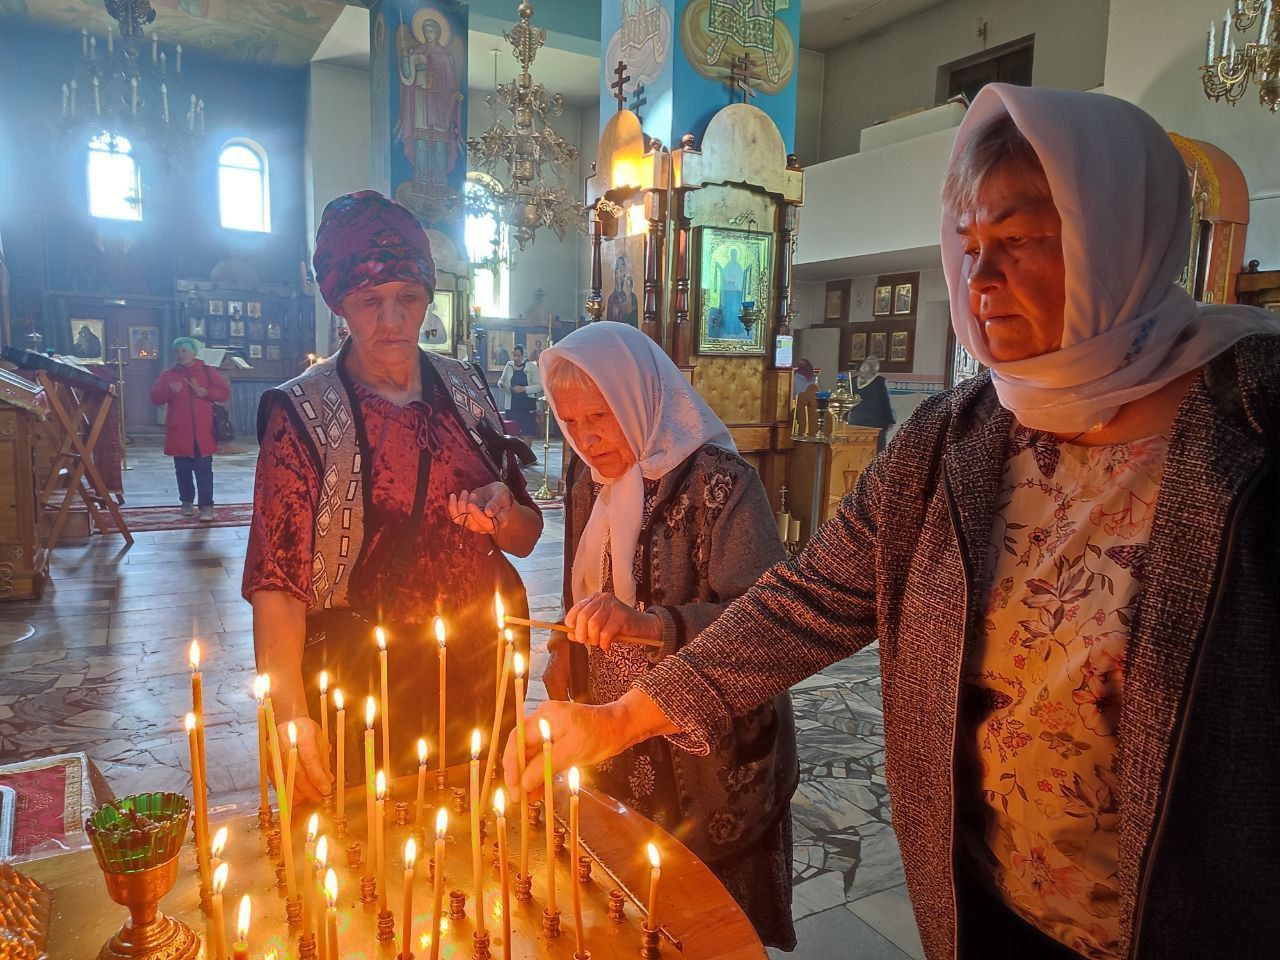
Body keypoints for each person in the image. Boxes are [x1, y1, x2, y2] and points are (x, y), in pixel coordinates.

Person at [507, 85, 1280, 960]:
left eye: (1019, 240)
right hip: (981, 904)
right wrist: (620, 718)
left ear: (1118, 236)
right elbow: (802, 601)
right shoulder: (954, 440)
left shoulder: (1251, 426)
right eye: (970, 245)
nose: (979, 281)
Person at [244, 190, 542, 803]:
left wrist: (503, 513)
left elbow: (527, 535)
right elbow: (278, 579)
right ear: (341, 306)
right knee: (375, 855)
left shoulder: (462, 386)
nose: (392, 320)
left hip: (480, 664)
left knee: (479, 841)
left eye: (408, 299)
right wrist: (289, 713)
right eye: (369, 301)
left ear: (428, 300)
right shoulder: (301, 412)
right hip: (366, 679)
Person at [537, 322, 797, 948]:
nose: (587, 438)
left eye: (601, 415)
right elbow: (585, 585)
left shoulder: (723, 484)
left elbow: (762, 624)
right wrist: (563, 650)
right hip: (615, 735)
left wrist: (650, 625)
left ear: (639, 397)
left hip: (710, 753)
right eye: (570, 423)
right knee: (627, 910)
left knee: (708, 921)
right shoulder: (587, 483)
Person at [149, 336, 229, 521]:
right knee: (182, 470)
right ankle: (186, 502)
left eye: (184, 350)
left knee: (204, 471)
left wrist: (206, 393)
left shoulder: (207, 372)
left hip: (204, 432)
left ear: (194, 352)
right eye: (177, 351)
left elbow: (224, 393)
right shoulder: (168, 375)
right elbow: (155, 398)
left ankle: (207, 506)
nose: (180, 354)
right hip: (179, 432)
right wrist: (169, 390)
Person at [846, 355, 895, 452]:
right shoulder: (880, 382)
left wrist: (845, 419)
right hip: (876, 424)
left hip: (855, 422)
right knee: (875, 453)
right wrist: (890, 420)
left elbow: (847, 402)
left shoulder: (852, 381)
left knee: (856, 451)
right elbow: (885, 403)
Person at [497, 344, 541, 442]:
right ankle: (513, 455)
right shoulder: (509, 366)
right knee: (512, 432)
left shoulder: (532, 367)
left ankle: (525, 456)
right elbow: (501, 380)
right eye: (514, 356)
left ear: (524, 356)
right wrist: (502, 385)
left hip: (527, 405)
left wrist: (523, 389)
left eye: (518, 356)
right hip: (512, 405)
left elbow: (539, 386)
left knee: (527, 432)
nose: (516, 358)